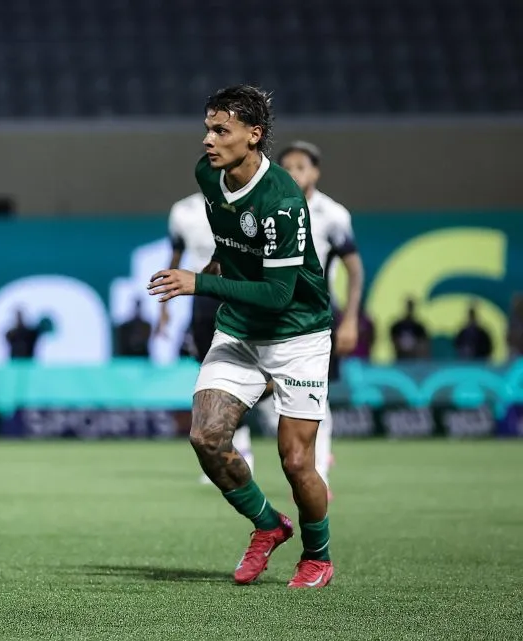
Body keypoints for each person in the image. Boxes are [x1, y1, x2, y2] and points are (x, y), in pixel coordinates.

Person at [148, 85, 334, 588]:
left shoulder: (282, 200)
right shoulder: (208, 174)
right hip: (239, 330)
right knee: (206, 436)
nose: (208, 140)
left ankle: (317, 556)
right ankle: (268, 525)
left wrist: (198, 281)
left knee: (296, 462)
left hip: (297, 335)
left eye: (220, 130)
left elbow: (277, 294)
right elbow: (231, 240)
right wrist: (216, 265)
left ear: (254, 136)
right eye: (207, 128)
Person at [278, 140, 367, 496]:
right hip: (273, 311)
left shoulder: (332, 215)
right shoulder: (270, 206)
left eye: (301, 166)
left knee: (316, 395)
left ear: (315, 172)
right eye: (287, 167)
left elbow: (355, 270)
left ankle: (319, 473)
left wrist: (349, 320)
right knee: (272, 397)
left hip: (314, 315)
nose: (294, 173)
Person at [156, 193, 255, 481]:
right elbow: (174, 260)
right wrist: (163, 309)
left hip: (243, 295)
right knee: (211, 375)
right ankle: (238, 449)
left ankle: (308, 447)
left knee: (255, 375)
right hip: (204, 299)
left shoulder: (253, 201)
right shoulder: (182, 211)